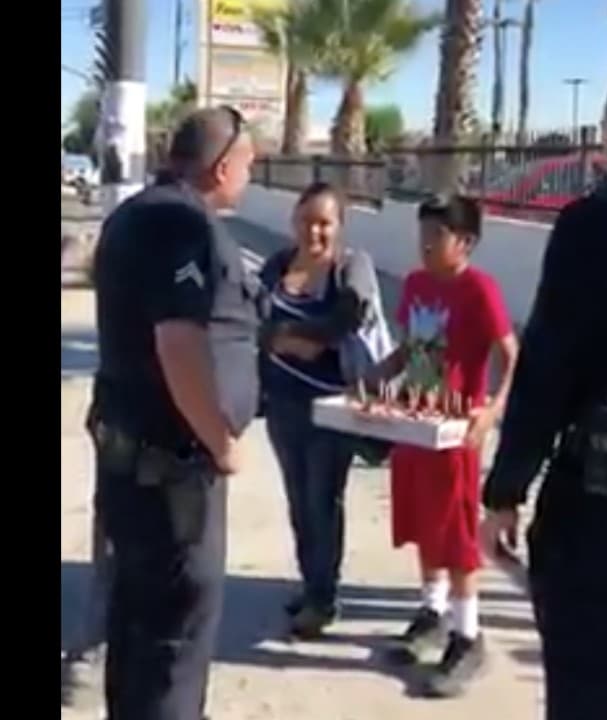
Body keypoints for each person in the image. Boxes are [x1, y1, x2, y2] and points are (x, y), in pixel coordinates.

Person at [480, 65, 607, 720]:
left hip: (601, 511)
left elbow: (548, 371)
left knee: (586, 698)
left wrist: (505, 492)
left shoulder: (593, 226)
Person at [87, 106, 257, 720]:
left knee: (138, 633)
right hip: (172, 478)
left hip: (134, 466)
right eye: (248, 165)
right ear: (222, 166)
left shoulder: (137, 213)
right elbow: (179, 344)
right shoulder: (180, 222)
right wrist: (222, 443)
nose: (249, 176)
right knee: (172, 648)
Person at [361, 195, 520, 698]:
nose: (426, 245)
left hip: (455, 432)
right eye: (423, 234)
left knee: (455, 533)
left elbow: (510, 353)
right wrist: (378, 375)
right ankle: (432, 611)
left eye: (438, 236)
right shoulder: (415, 284)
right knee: (421, 521)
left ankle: (467, 635)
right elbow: (409, 347)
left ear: (465, 242)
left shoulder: (479, 290)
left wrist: (492, 409)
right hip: (414, 424)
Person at [256, 182, 390, 639]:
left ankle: (323, 597)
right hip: (282, 404)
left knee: (323, 501)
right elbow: (254, 320)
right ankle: (310, 583)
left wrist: (291, 336)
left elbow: (345, 319)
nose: (314, 231)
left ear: (340, 226)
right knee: (298, 501)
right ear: (293, 222)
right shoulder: (277, 266)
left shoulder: (352, 267)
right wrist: (292, 338)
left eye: (324, 223)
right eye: (306, 221)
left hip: (332, 410)